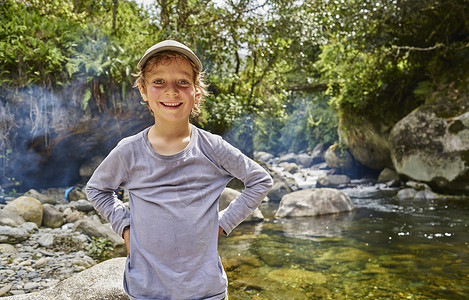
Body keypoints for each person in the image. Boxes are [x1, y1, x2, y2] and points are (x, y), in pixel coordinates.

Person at [85, 40, 273, 300]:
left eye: (183, 82)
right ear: (143, 90)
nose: (171, 91)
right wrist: (125, 226)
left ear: (197, 91)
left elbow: (260, 180)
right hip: (146, 290)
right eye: (158, 82)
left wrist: (223, 223)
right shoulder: (128, 151)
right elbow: (97, 189)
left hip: (206, 291)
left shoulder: (212, 147)